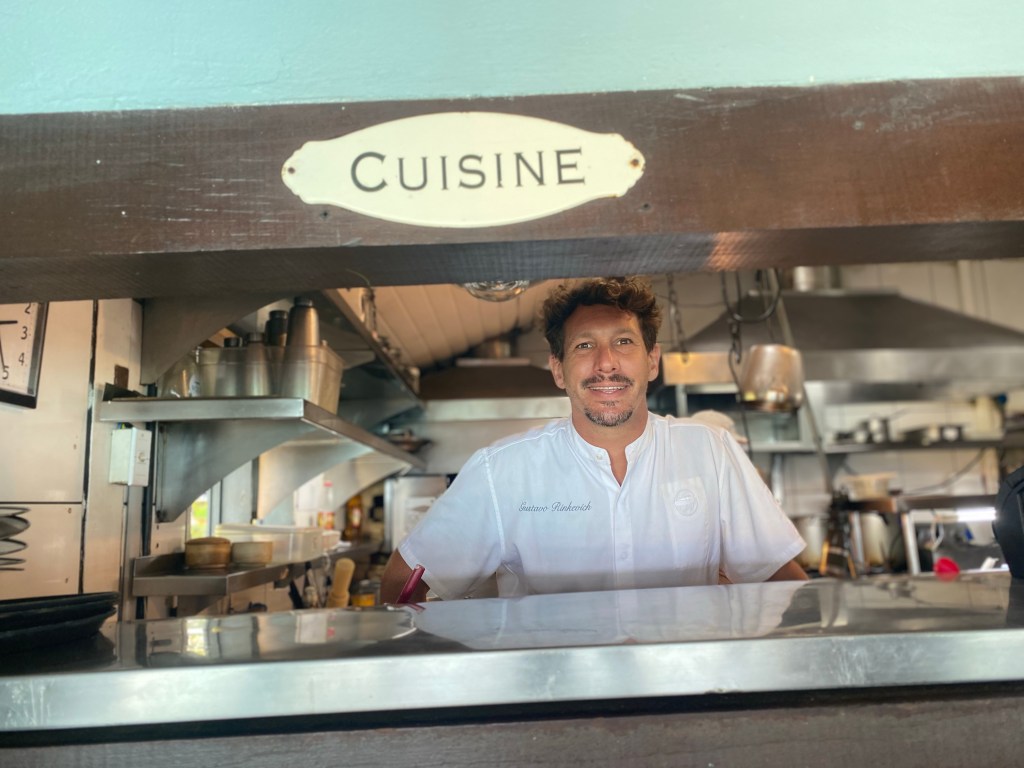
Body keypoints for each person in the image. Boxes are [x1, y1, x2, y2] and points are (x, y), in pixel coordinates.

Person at [380, 277, 807, 603]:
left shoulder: (711, 451)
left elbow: (780, 581)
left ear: (652, 361)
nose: (606, 364)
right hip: (554, 687)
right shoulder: (503, 470)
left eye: (623, 342)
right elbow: (403, 586)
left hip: (686, 683)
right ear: (559, 370)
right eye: (584, 346)